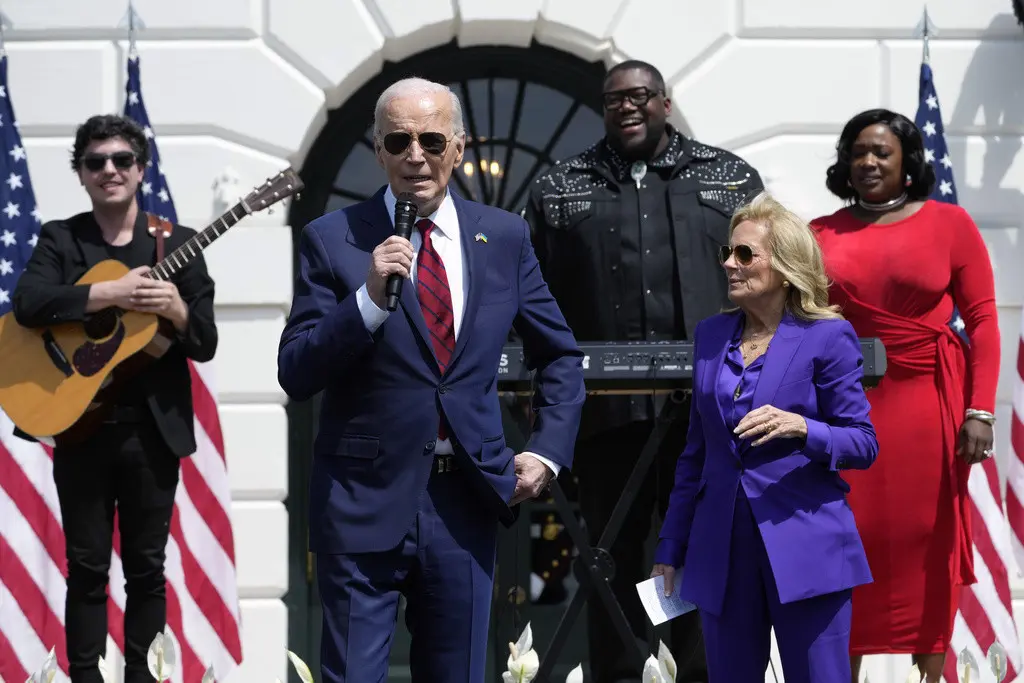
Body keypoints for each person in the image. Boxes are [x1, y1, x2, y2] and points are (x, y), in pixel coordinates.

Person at [277, 77, 586, 683]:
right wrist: (366, 300)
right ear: (379, 152)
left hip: (466, 498)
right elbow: (297, 370)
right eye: (398, 140)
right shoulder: (332, 238)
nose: (415, 154)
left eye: (430, 139)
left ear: (459, 148)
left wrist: (547, 452)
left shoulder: (503, 237)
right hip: (363, 498)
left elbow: (560, 356)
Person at [525, 59, 763, 683]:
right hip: (605, 417)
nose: (625, 108)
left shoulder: (730, 178)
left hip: (714, 414)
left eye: (638, 97)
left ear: (664, 100)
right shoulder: (560, 187)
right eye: (612, 100)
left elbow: (769, 283)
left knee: (705, 554)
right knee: (610, 560)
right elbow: (533, 299)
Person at [11, 114, 217, 683]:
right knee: (86, 568)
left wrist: (174, 308)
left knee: (148, 569)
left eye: (122, 160)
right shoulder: (62, 237)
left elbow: (206, 341)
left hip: (153, 432)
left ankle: (143, 677)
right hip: (82, 425)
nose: (110, 170)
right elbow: (28, 302)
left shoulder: (176, 243)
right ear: (81, 174)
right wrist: (109, 292)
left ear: (141, 170)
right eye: (96, 161)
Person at [650, 191, 878, 683]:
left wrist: (804, 429)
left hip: (806, 544)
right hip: (721, 551)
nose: (730, 264)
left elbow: (863, 441)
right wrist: (671, 546)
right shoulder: (711, 336)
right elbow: (696, 454)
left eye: (745, 254)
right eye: (727, 253)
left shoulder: (827, 336)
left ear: (786, 265)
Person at [811, 109, 1000, 682]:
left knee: (926, 539)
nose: (867, 162)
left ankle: (930, 672)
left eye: (881, 152)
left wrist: (981, 410)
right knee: (847, 538)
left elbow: (985, 321)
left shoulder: (950, 223)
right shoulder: (818, 233)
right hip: (845, 410)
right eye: (857, 151)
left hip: (926, 406)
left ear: (908, 163)